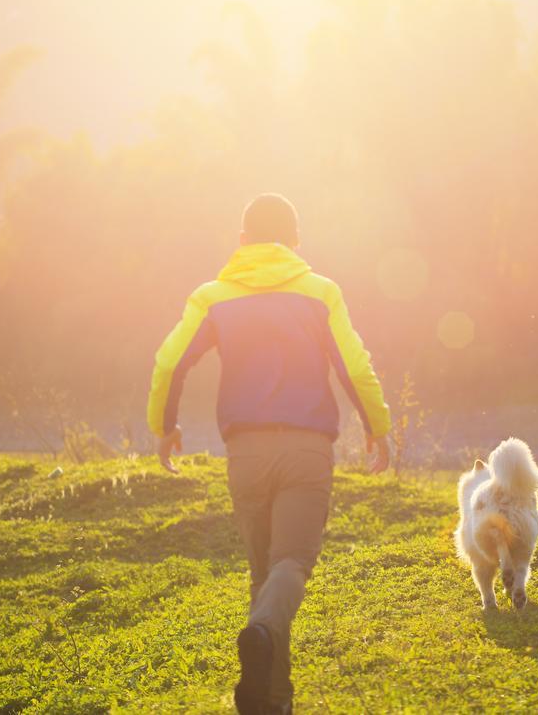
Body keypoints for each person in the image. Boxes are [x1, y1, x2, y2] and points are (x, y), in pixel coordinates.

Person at [146, 193, 390, 715]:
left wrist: (164, 427)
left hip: (245, 453)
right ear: (295, 242)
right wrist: (378, 428)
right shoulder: (321, 292)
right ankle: (265, 661)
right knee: (292, 564)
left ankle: (271, 704)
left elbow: (169, 363)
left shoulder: (213, 297)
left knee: (264, 577)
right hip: (306, 450)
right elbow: (356, 366)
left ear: (241, 241)